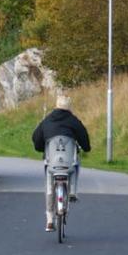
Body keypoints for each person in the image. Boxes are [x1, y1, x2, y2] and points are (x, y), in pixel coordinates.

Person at [32, 95, 91, 232]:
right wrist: (86, 148)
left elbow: (36, 137)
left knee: (48, 184)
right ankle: (72, 191)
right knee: (76, 163)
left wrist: (41, 148)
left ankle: (50, 219)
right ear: (69, 107)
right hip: (68, 165)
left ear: (56, 106)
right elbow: (84, 137)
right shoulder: (74, 121)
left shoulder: (47, 121)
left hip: (52, 164)